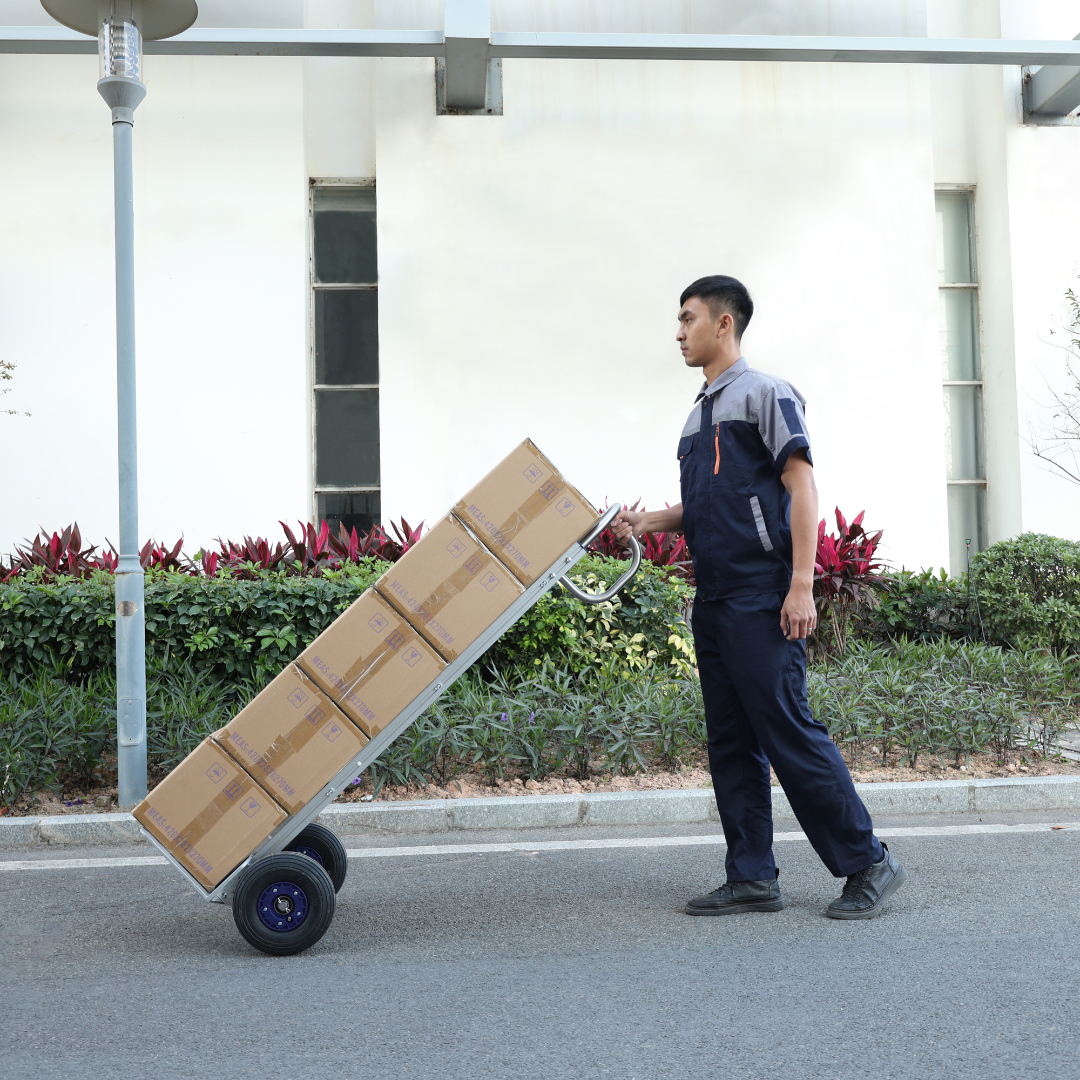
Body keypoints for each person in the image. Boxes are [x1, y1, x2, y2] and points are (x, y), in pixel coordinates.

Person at [611, 275, 905, 920]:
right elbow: (715, 503)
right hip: (714, 599)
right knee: (730, 742)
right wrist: (651, 522)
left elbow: (801, 488)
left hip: (762, 594)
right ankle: (750, 875)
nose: (679, 332)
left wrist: (801, 585)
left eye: (688, 319)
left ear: (724, 324)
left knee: (789, 733)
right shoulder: (698, 414)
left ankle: (868, 861)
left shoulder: (767, 393)